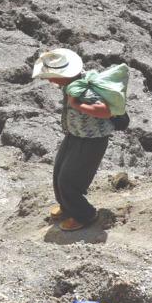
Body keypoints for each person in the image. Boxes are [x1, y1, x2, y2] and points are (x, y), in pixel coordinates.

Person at [32, 48, 128, 231]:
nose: (50, 80)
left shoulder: (84, 91)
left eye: (52, 77)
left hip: (91, 141)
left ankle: (85, 214)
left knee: (69, 180)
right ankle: (67, 207)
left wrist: (77, 105)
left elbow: (105, 111)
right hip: (75, 135)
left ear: (64, 75)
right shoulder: (72, 84)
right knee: (59, 172)